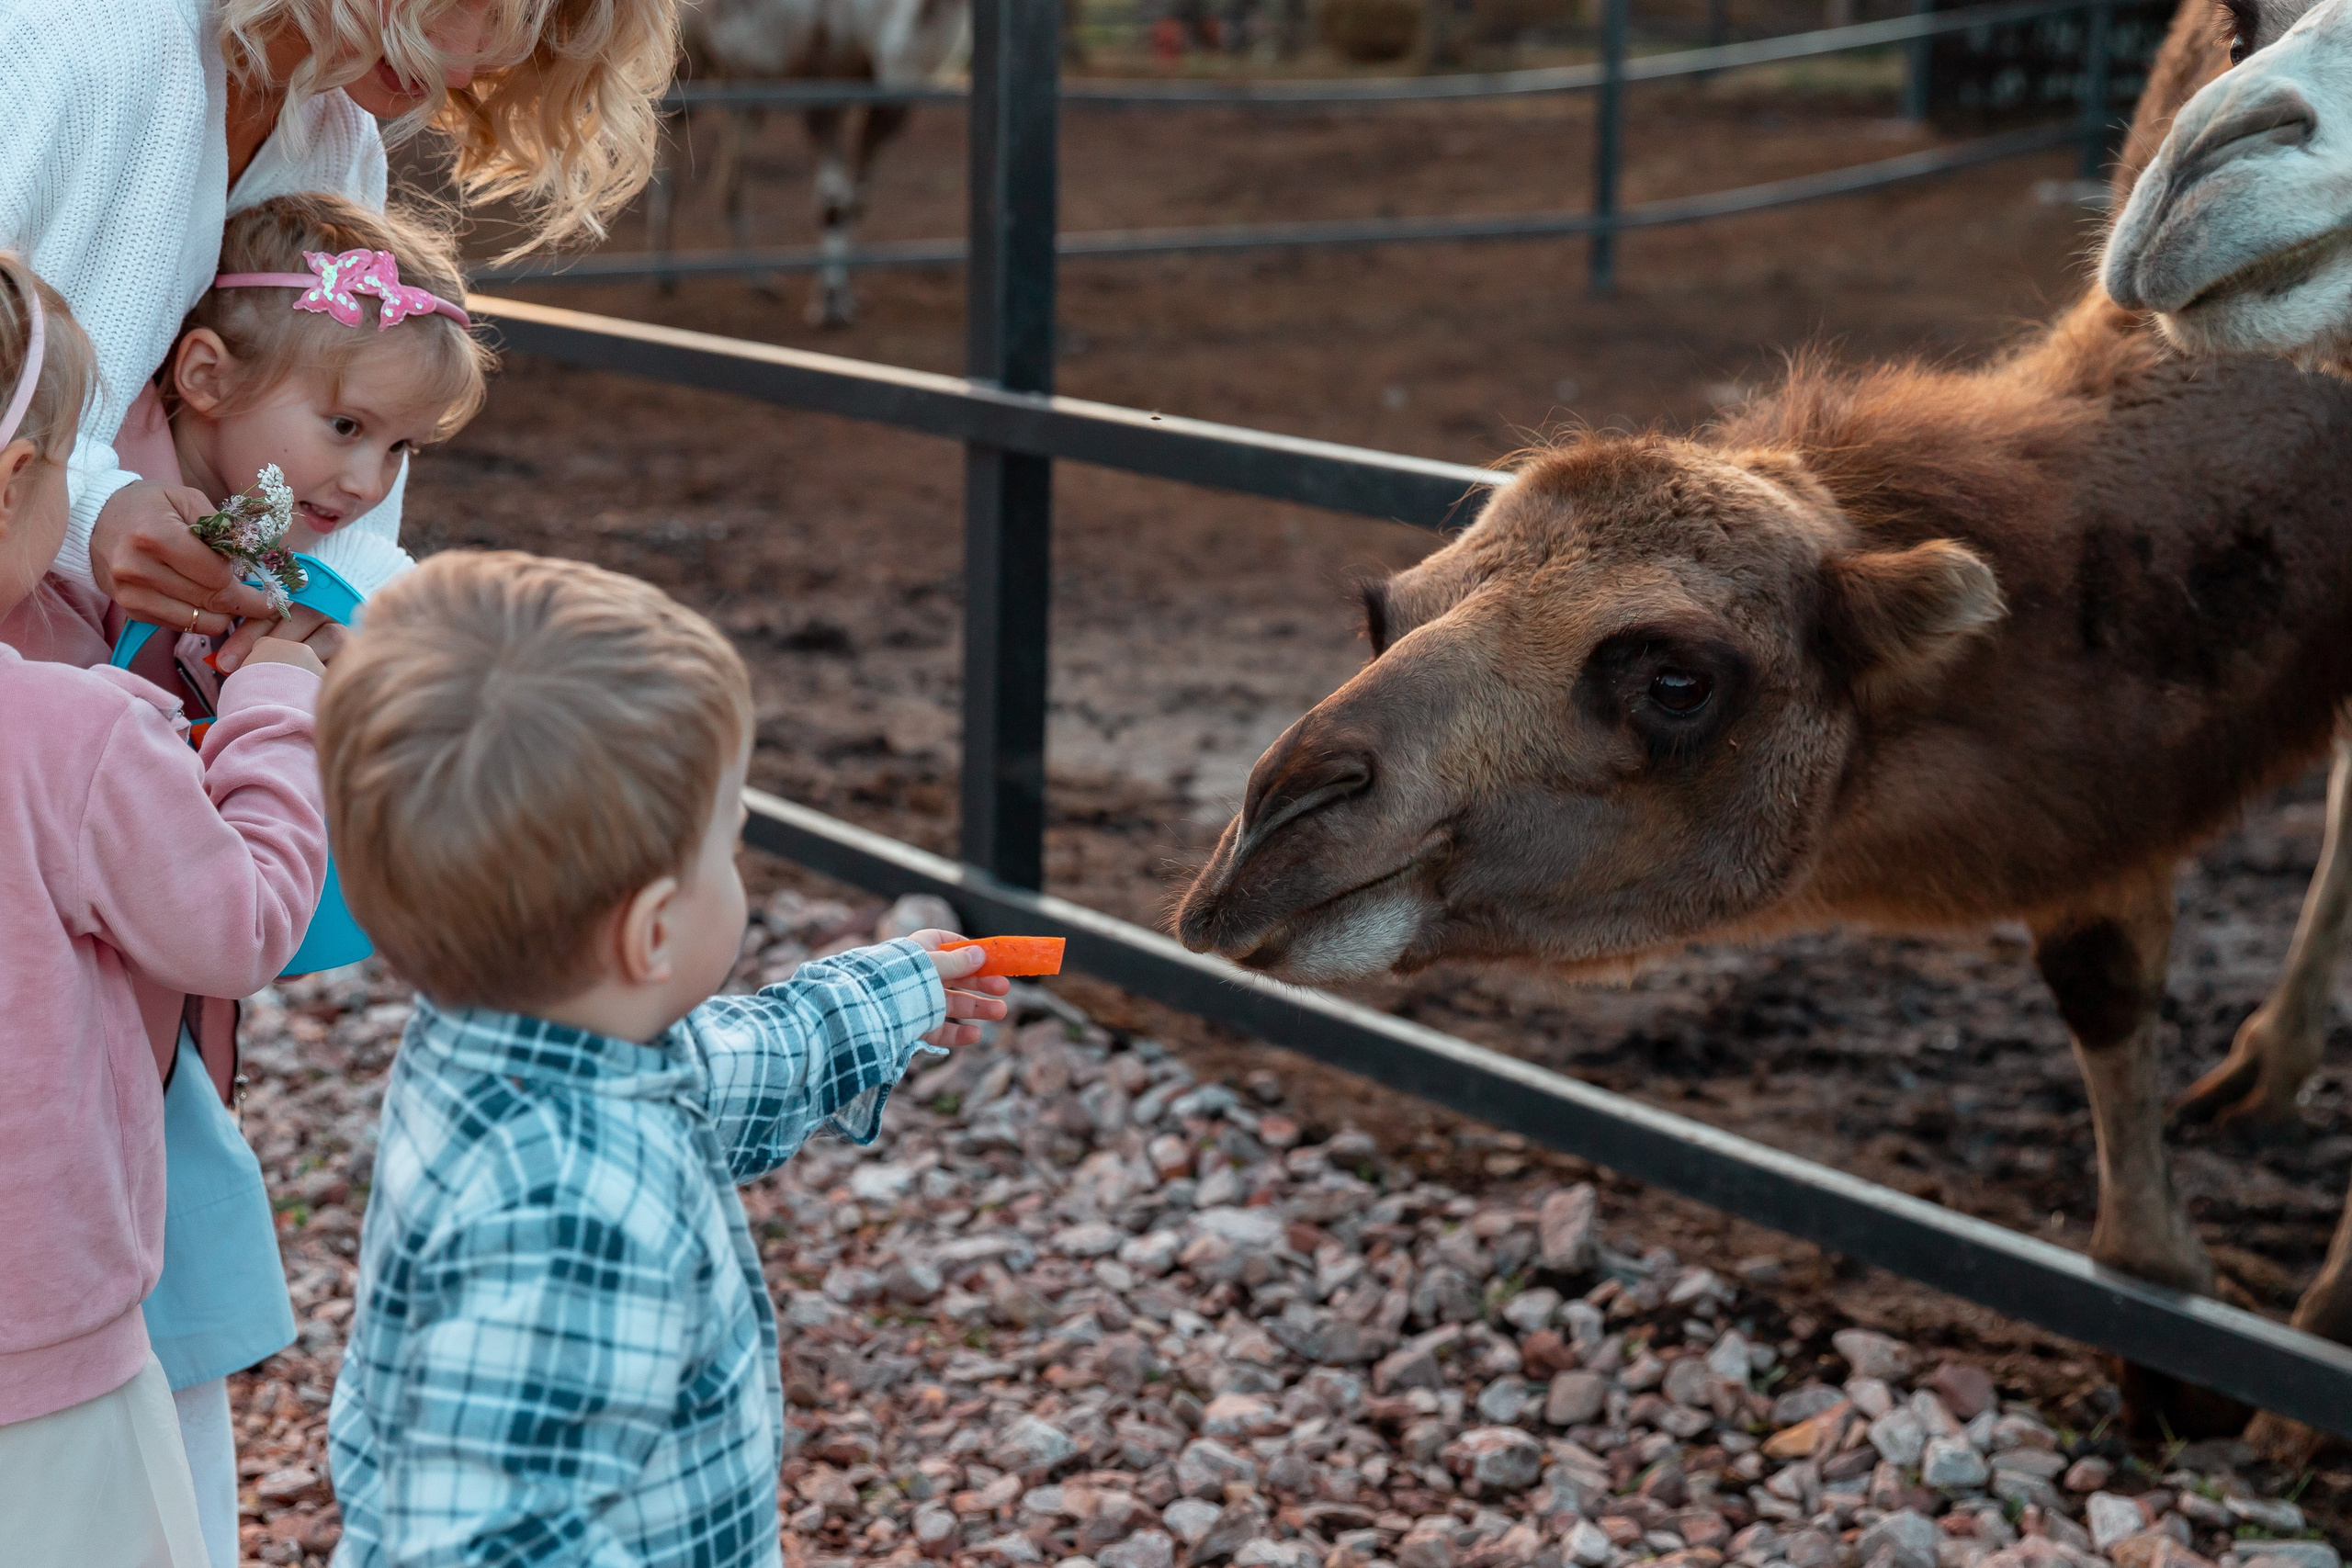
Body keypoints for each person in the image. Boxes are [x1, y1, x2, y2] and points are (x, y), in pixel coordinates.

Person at [318, 551, 1010, 1566]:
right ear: (648, 934)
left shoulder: (511, 1039)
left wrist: (887, 997)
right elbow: (486, 1544)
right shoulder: (561, 1212)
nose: (735, 865)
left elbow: (725, 1071)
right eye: (726, 843)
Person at [102, 190, 489, 1568]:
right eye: (347, 428)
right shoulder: (96, 557)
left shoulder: (285, 571)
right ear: (203, 377)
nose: (372, 478)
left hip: (159, 1026)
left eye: (399, 446)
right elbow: (224, 904)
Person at [0, 0, 676, 661]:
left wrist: (341, 608)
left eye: (518, 22)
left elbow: (347, 528)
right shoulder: (65, 43)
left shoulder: (339, 141)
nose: (467, 64)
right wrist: (89, 511)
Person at [0, 254, 329, 1568]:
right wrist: (272, 705)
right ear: (17, 481)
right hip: (45, 1346)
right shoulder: (65, 737)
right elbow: (240, 921)